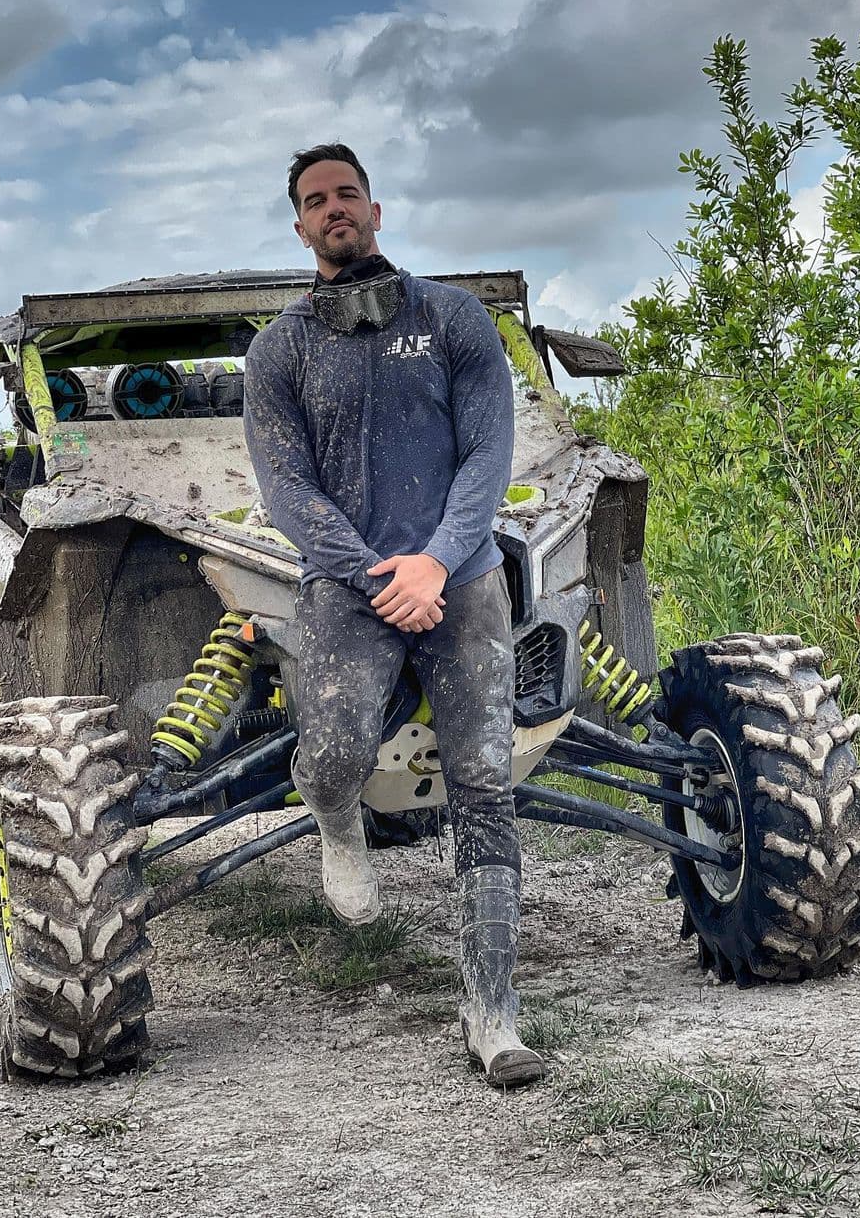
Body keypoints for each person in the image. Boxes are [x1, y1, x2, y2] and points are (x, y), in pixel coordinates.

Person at [243, 143, 544, 1087]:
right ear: (299, 226)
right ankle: (338, 826)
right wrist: (377, 573)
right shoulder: (279, 349)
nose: (334, 209)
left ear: (376, 208)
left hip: (458, 578)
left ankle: (493, 1015)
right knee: (330, 755)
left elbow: (487, 457)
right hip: (348, 586)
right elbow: (288, 491)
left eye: (347, 193)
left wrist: (438, 561)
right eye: (314, 200)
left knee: (486, 786)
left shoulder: (452, 319)